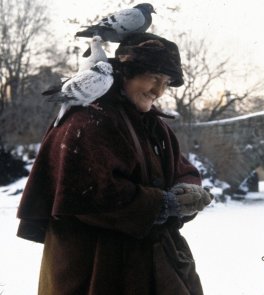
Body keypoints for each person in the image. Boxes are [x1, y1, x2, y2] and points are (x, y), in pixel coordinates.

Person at [16, 32, 212, 295]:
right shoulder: (87, 121)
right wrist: (161, 204)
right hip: (97, 270)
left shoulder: (153, 125)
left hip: (154, 266)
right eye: (153, 78)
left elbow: (182, 169)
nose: (159, 91)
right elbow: (90, 195)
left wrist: (186, 191)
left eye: (165, 82)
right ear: (125, 72)